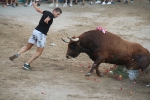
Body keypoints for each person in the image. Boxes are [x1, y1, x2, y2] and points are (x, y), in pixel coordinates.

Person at [9, 1, 62, 70]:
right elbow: (48, 18)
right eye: (57, 14)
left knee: (28, 46)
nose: (57, 16)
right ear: (54, 11)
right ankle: (26, 64)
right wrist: (46, 20)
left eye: (58, 15)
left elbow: (38, 10)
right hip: (41, 34)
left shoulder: (46, 12)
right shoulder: (51, 15)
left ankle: (17, 54)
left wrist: (34, 5)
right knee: (39, 52)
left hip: (35, 31)